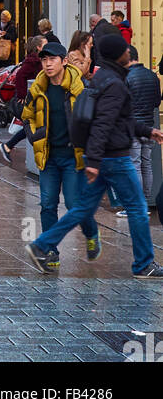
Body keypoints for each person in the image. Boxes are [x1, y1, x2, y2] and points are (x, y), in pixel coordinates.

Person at [27, 33, 163, 278]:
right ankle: (144, 263)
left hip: (99, 157)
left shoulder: (102, 78)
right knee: (137, 207)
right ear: (121, 55)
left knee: (79, 208)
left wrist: (147, 131)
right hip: (114, 158)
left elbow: (120, 120)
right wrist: (96, 160)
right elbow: (103, 123)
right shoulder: (115, 84)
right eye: (124, 50)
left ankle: (42, 244)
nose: (128, 53)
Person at [18, 41, 101, 267]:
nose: (48, 64)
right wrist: (35, 137)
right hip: (48, 156)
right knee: (47, 204)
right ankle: (50, 251)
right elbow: (27, 116)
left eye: (52, 59)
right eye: (44, 60)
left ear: (64, 61)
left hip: (73, 156)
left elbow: (92, 120)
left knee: (75, 206)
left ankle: (92, 234)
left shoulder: (79, 87)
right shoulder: (38, 88)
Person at [0, 34, 45, 162]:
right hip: (32, 99)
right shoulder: (33, 61)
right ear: (39, 47)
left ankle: (8, 146)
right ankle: (8, 146)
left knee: (31, 126)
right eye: (45, 44)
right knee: (32, 126)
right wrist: (22, 95)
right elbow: (21, 76)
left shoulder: (38, 59)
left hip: (36, 98)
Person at [126, 45, 161, 202]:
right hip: (150, 124)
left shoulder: (126, 77)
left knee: (135, 164)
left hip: (134, 127)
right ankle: (145, 201)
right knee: (146, 164)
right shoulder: (152, 76)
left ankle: (137, 203)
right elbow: (156, 102)